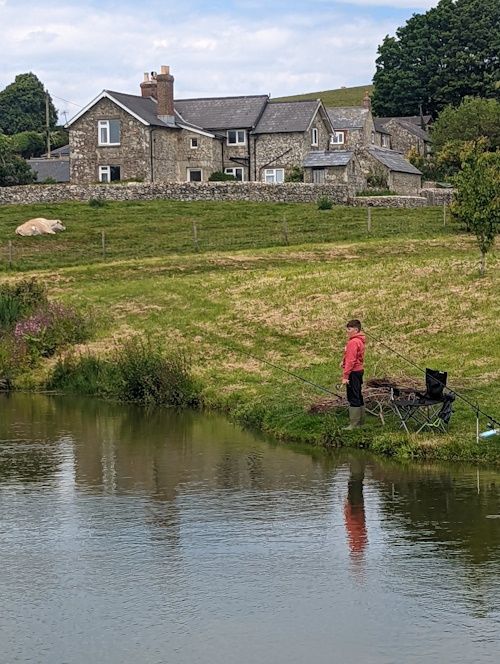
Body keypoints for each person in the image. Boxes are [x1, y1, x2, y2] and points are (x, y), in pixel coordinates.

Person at [340, 319, 366, 429]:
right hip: (359, 371)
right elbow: (354, 357)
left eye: (349, 329)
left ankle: (354, 424)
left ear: (356, 330)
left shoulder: (353, 342)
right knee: (358, 395)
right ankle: (360, 423)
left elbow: (351, 360)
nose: (347, 331)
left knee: (353, 396)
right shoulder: (359, 341)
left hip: (353, 372)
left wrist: (345, 376)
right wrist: (343, 362)